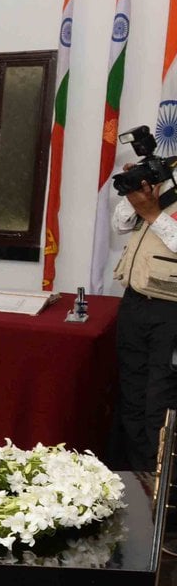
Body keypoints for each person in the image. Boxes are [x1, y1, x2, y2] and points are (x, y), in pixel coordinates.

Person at [108, 174, 177, 472]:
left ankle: (159, 482)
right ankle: (136, 478)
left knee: (160, 401)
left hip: (171, 311)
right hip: (135, 303)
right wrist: (135, 192)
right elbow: (120, 223)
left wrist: (151, 213)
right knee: (132, 395)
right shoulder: (169, 174)